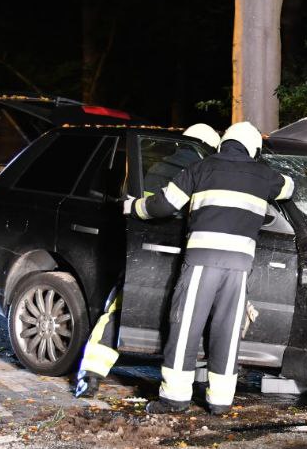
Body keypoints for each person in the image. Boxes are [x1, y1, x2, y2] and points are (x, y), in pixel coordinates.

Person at [133, 121, 294, 416]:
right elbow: (289, 187)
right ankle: (220, 401)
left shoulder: (201, 168)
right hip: (239, 267)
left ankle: (175, 399)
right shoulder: (264, 176)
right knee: (228, 331)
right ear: (253, 148)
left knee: (185, 328)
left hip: (201, 262)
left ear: (223, 144)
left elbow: (164, 206)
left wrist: (134, 208)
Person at [74, 123, 222, 399]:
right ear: (210, 149)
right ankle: (189, 383)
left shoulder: (158, 168)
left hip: (149, 252)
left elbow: (149, 206)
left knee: (119, 309)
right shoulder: (204, 173)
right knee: (193, 318)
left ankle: (90, 374)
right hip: (190, 256)